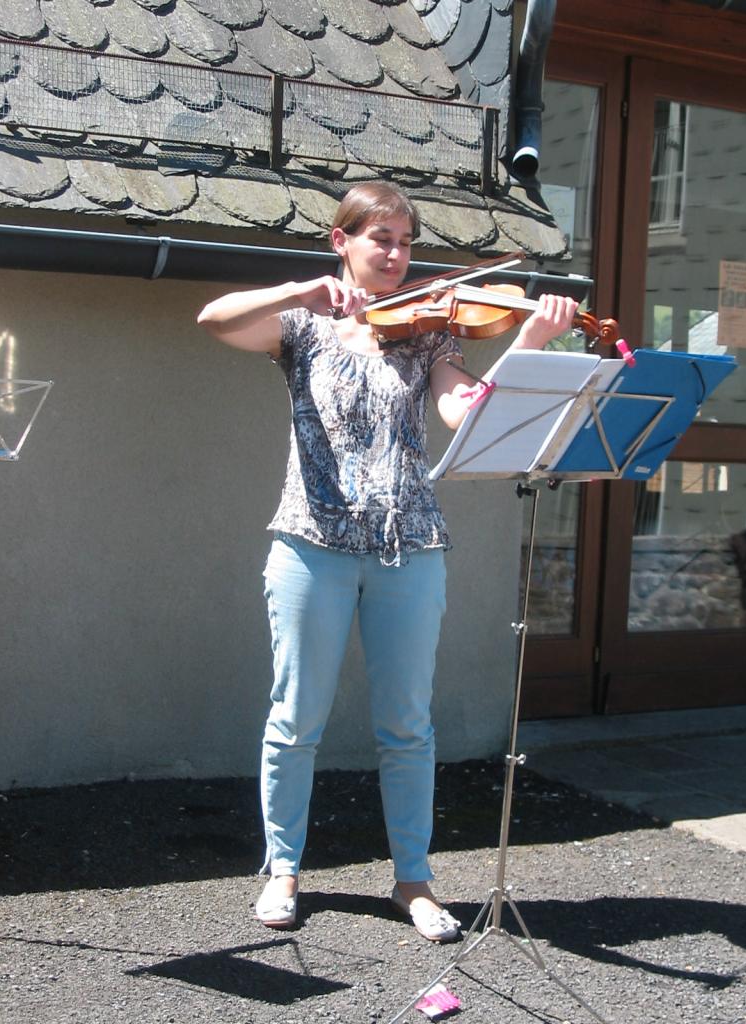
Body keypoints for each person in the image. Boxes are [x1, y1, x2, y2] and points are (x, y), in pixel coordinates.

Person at [197, 181, 577, 942]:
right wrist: (299, 288)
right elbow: (214, 319)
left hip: (411, 548)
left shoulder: (432, 335)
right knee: (295, 717)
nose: (400, 257)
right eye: (383, 241)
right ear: (343, 241)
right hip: (311, 544)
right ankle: (282, 870)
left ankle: (415, 880)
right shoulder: (302, 325)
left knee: (408, 724)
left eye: (407, 243)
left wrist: (528, 345)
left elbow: (461, 413)